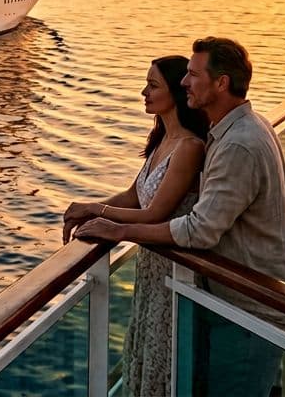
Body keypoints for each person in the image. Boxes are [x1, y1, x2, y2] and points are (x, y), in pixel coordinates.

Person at [73, 37, 285, 396]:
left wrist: (119, 230)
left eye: (193, 75)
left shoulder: (237, 144)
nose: (184, 82)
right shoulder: (235, 131)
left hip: (251, 306)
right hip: (237, 299)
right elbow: (147, 196)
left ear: (221, 83)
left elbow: (199, 229)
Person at [63, 56, 209, 396]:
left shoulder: (189, 147)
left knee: (166, 358)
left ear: (175, 92)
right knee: (145, 351)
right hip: (151, 267)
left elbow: (154, 213)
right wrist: (89, 208)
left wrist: (100, 212)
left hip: (175, 270)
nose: (144, 92)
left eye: (153, 85)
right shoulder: (162, 139)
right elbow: (133, 196)